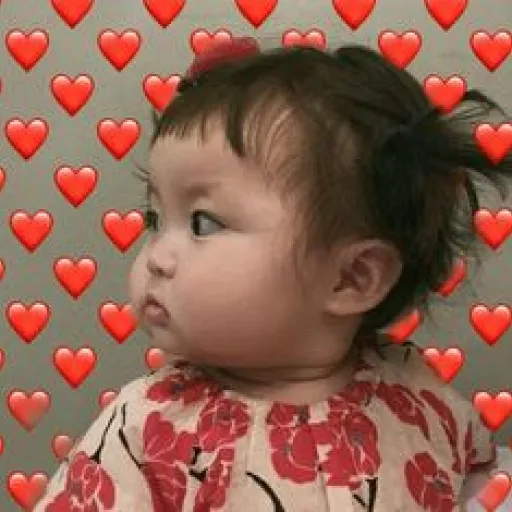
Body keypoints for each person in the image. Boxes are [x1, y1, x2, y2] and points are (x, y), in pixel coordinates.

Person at [34, 38, 511, 511]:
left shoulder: (417, 396)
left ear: (352, 278)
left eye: (202, 223)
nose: (156, 256)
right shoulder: (145, 427)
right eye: (154, 219)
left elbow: (481, 482)